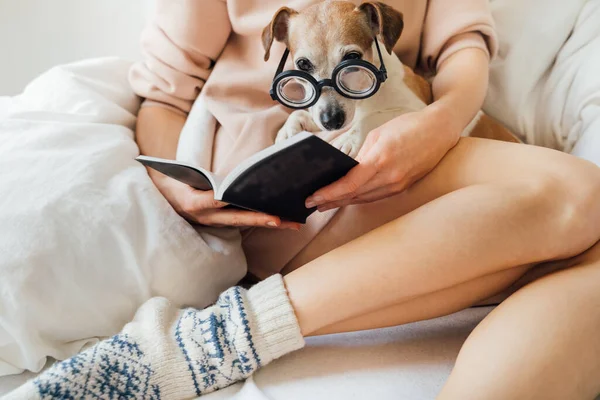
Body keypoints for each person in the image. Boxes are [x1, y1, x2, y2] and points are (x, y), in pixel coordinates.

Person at [7, 0, 600, 399]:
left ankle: (185, 353)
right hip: (288, 200)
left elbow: (463, 50)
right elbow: (165, 93)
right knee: (579, 194)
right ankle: (204, 343)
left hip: (415, 146)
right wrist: (179, 186)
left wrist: (438, 126)